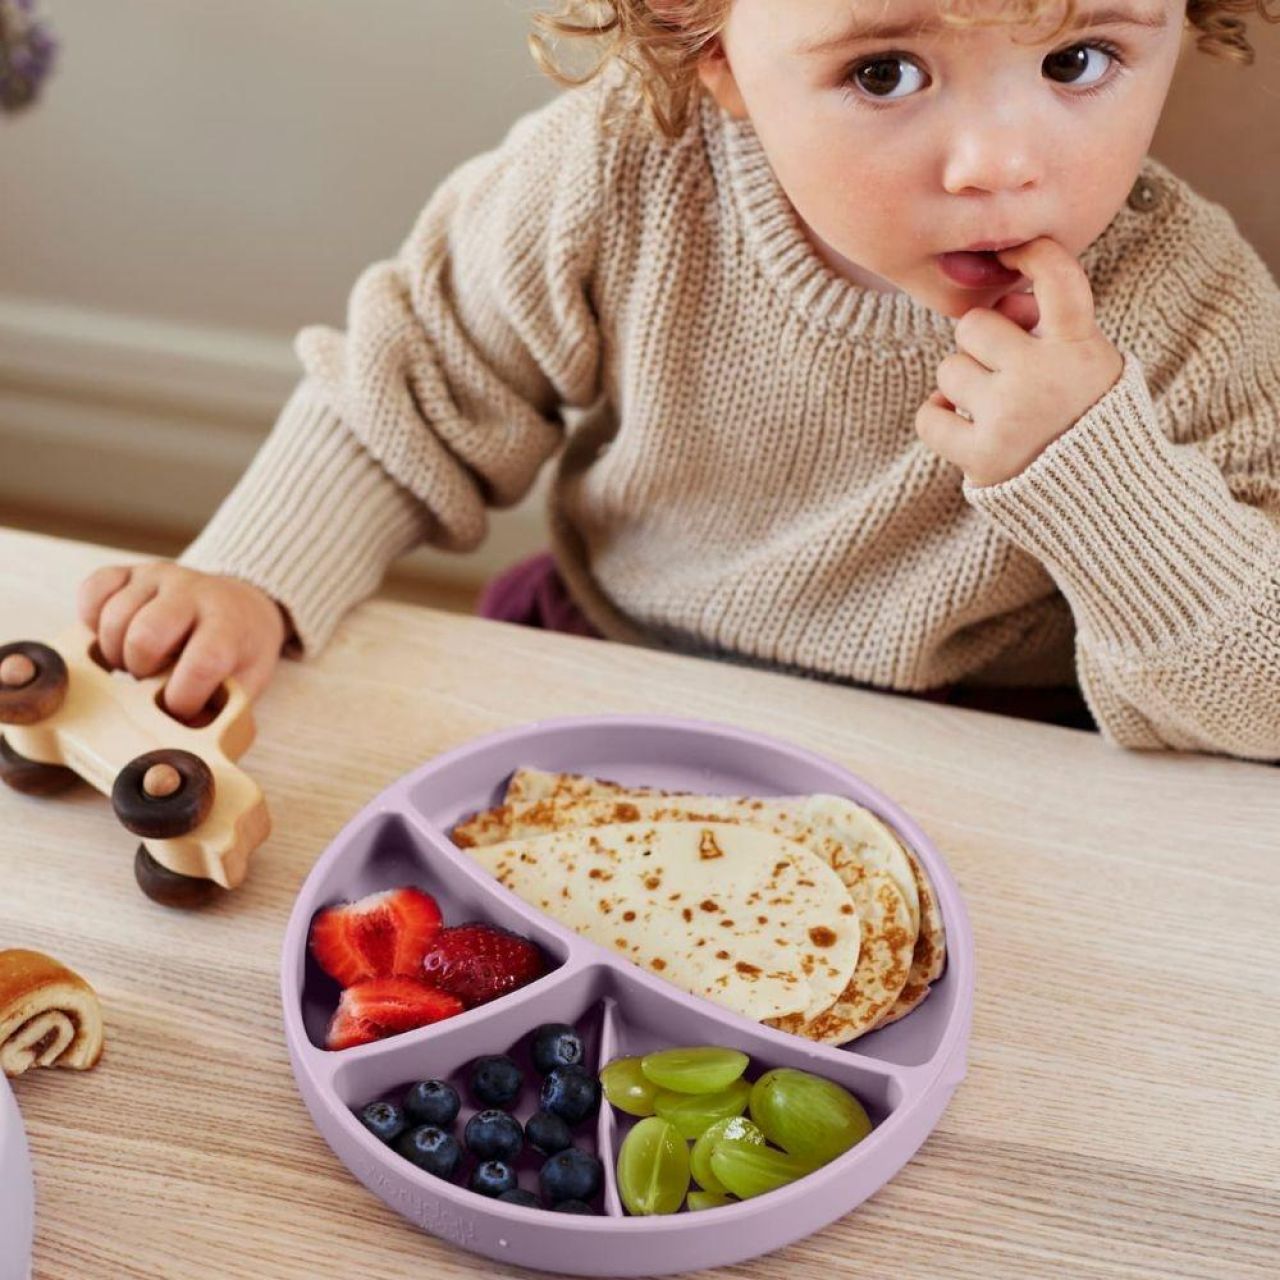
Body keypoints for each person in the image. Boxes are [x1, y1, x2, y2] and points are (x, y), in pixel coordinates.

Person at [76, 0, 1280, 760]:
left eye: (1078, 57)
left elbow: (1258, 707)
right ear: (712, 48)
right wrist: (247, 579)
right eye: (883, 73)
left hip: (978, 761)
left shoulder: (1190, 309)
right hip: (613, 664)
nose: (996, 165)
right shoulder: (623, 172)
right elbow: (413, 388)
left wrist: (1097, 474)